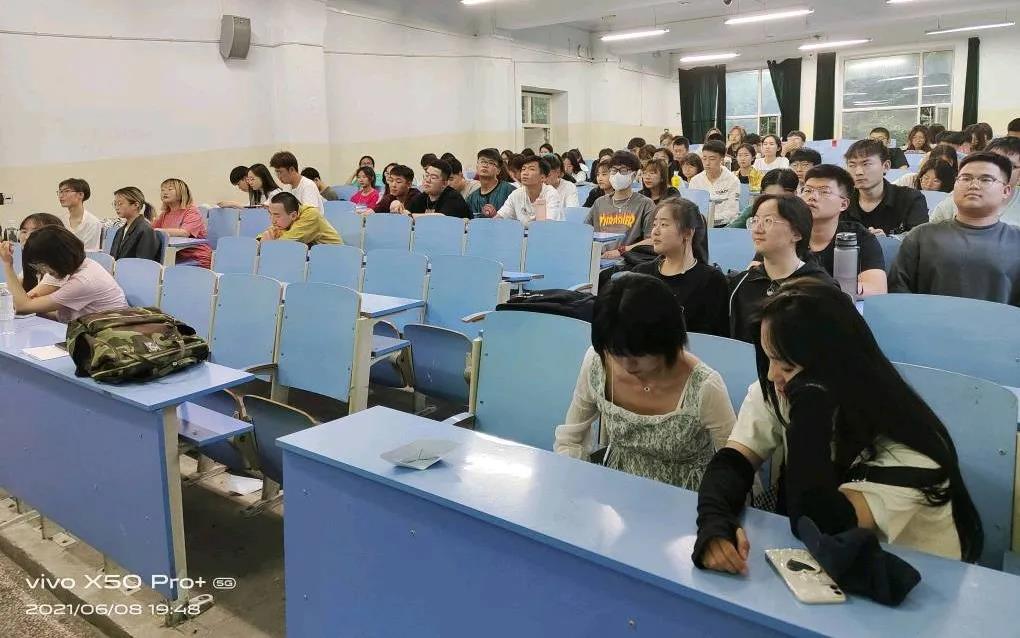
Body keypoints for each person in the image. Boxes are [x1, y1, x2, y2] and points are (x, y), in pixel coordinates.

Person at [694, 278, 983, 575]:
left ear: (831, 368)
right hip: (839, 573)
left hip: (920, 582)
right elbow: (734, 463)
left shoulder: (910, 455)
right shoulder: (785, 391)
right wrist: (715, 521)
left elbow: (820, 524)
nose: (772, 375)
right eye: (769, 359)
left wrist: (809, 407)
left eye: (787, 366)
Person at [554, 273, 736, 490]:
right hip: (618, 486)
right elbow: (571, 437)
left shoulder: (705, 387)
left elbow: (734, 465)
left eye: (639, 354)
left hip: (685, 495)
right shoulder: (597, 362)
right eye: (616, 353)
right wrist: (572, 485)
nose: (627, 365)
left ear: (667, 340)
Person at [889, 152, 1020, 305]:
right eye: (965, 178)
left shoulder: (1016, 240)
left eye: (986, 179)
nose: (973, 185)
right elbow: (898, 291)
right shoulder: (922, 236)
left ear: (1006, 191)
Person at [728, 194, 833, 342]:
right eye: (755, 220)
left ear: (796, 233)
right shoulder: (742, 283)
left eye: (768, 221)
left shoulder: (820, 287)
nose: (757, 229)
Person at [631, 199, 729, 336]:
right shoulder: (640, 274)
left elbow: (716, 339)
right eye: (654, 225)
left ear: (687, 233)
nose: (655, 232)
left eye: (664, 224)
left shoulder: (712, 281)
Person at [0, 226, 127, 322]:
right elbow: (26, 303)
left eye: (42, 265)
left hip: (108, 336)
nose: (42, 271)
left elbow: (22, 306)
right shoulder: (81, 266)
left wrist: (7, 264)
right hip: (91, 328)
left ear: (57, 258)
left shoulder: (83, 281)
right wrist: (35, 305)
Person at [802, 165, 886, 296]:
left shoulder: (858, 237)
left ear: (843, 204)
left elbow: (876, 289)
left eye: (824, 192)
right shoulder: (786, 231)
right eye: (807, 190)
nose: (812, 197)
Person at [843, 139, 928, 236]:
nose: (858, 172)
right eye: (852, 165)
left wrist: (888, 240)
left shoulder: (911, 199)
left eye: (866, 164)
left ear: (886, 166)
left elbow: (920, 238)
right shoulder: (841, 200)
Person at [929, 137, 1020, 226]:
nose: (998, 169)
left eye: (1010, 166)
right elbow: (931, 230)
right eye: (993, 163)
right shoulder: (959, 196)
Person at [585, 151, 656, 258]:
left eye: (623, 170)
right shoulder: (599, 203)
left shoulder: (645, 204)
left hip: (629, 260)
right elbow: (584, 234)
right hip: (600, 259)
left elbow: (652, 240)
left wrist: (622, 250)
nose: (617, 174)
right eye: (613, 170)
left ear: (634, 175)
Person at [152, 178, 212, 268]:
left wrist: (159, 230)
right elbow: (151, 230)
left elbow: (185, 232)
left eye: (170, 189)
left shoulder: (192, 211)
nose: (165, 192)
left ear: (182, 193)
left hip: (197, 258)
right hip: (174, 256)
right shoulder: (165, 214)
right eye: (162, 190)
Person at [497, 155, 564, 223]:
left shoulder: (551, 194)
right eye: (523, 169)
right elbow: (499, 218)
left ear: (542, 177)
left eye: (531, 169)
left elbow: (548, 224)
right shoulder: (516, 194)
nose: (525, 173)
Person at [259, 192, 342, 246]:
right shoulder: (283, 223)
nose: (273, 221)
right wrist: (260, 240)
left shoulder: (311, 215)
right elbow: (265, 236)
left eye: (277, 216)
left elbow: (284, 244)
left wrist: (267, 244)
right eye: (270, 214)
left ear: (293, 215)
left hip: (335, 257)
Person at [689, 141, 741, 227]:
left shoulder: (733, 180)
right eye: (704, 158)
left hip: (724, 226)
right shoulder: (695, 181)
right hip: (699, 226)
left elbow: (732, 212)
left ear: (722, 159)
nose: (707, 163)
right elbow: (691, 208)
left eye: (712, 159)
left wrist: (709, 219)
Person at [727, 168, 799, 229]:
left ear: (795, 194)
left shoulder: (800, 213)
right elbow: (728, 231)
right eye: (770, 198)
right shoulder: (754, 209)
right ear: (762, 194)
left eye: (782, 198)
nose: (776, 203)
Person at [406, 159, 472, 219]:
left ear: (444, 184)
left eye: (433, 177)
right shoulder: (422, 197)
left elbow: (441, 218)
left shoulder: (453, 197)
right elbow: (406, 213)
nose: (427, 180)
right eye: (426, 175)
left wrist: (411, 216)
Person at [16, 213, 65, 292]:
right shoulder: (34, 263)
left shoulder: (56, 270)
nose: (27, 237)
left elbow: (23, 300)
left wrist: (8, 265)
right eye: (24, 231)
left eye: (35, 232)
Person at [109, 187, 160, 261]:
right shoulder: (120, 231)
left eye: (120, 204)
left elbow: (143, 262)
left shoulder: (146, 230)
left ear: (136, 205)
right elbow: (113, 258)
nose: (116, 207)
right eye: (115, 204)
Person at [466, 149, 516, 218]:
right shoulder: (471, 198)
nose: (485, 165)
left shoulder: (510, 191)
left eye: (491, 163)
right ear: (477, 166)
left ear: (498, 170)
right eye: (482, 161)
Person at [57, 178, 101, 251]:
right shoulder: (60, 221)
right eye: (60, 192)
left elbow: (90, 252)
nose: (61, 196)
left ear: (80, 195)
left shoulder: (93, 222)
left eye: (66, 191)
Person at [893, 143, 960, 187]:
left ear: (953, 164)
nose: (941, 165)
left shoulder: (958, 184)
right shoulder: (910, 179)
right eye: (937, 161)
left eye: (947, 162)